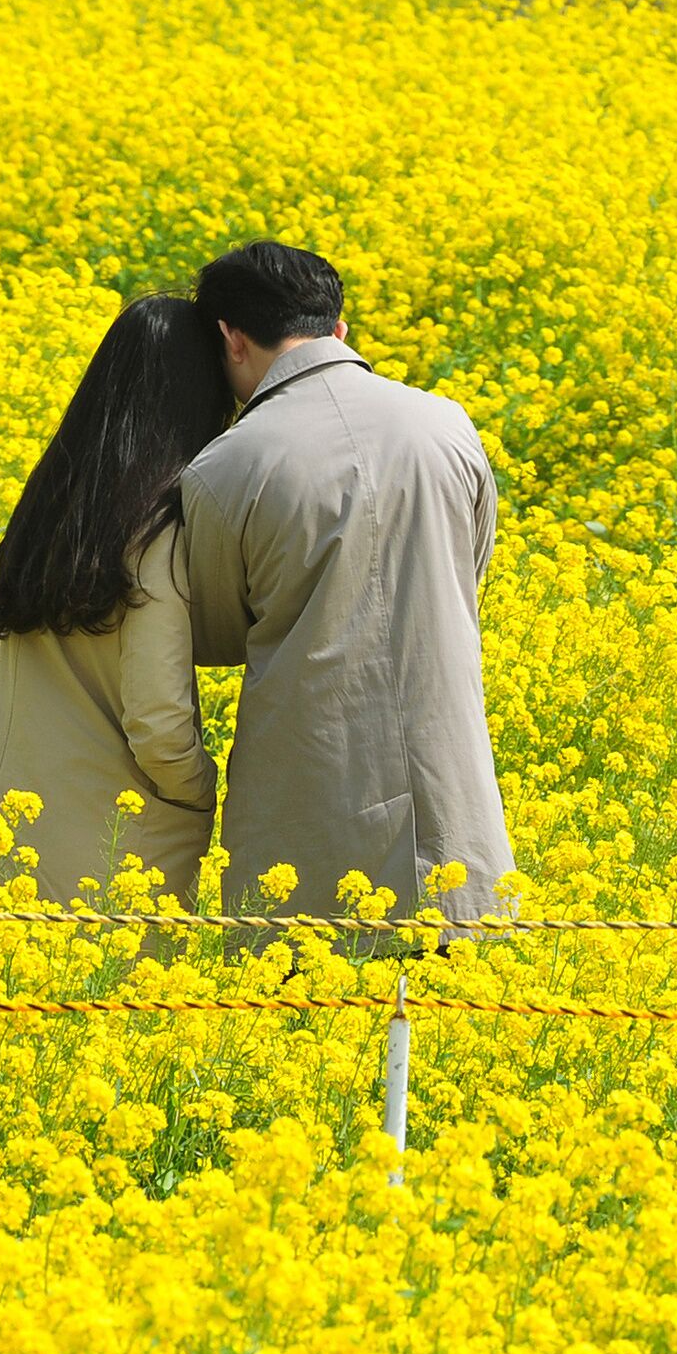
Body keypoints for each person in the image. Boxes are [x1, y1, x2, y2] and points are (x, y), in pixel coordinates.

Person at [180, 240, 512, 939]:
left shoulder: (226, 466)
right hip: (448, 806)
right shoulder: (447, 423)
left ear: (230, 340)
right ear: (340, 330)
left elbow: (213, 634)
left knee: (309, 1007)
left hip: (309, 815)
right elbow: (468, 568)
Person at [0, 295, 233, 909]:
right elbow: (158, 724)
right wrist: (199, 792)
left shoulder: (48, 505)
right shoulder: (158, 528)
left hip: (2, 827)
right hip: (114, 850)